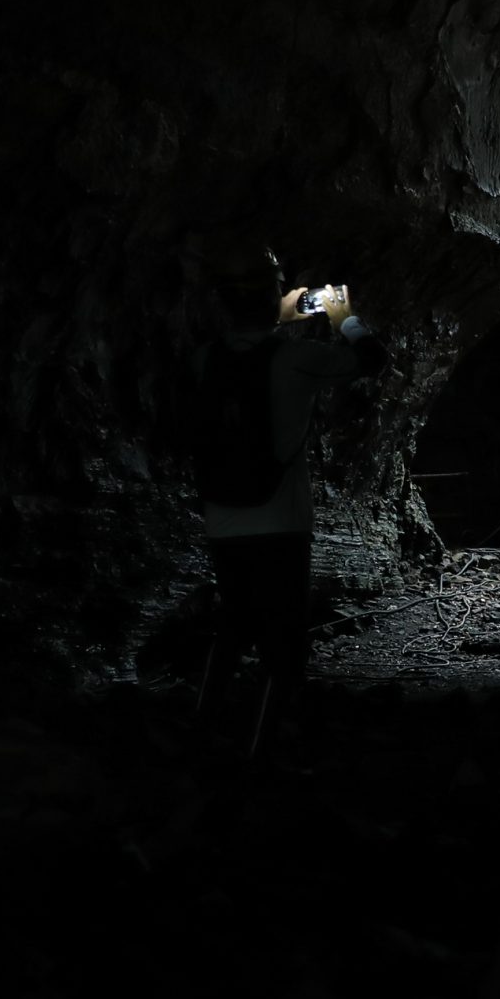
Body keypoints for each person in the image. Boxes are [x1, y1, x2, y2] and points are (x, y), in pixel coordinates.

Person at [188, 252, 389, 752]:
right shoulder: (296, 358)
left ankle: (201, 732)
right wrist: (343, 317)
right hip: (280, 518)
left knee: (234, 625)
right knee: (283, 640)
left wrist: (273, 310)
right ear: (267, 299)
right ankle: (262, 752)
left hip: (222, 516)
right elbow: (373, 360)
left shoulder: (201, 359)